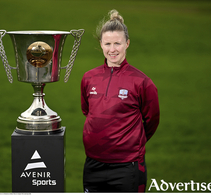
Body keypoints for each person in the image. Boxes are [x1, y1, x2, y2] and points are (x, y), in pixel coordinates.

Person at [80, 9, 160, 192]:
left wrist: (131, 141)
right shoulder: (88, 78)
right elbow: (87, 111)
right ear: (100, 44)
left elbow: (152, 120)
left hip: (127, 166)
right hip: (93, 164)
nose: (112, 49)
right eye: (107, 43)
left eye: (118, 43)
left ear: (127, 44)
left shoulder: (142, 82)